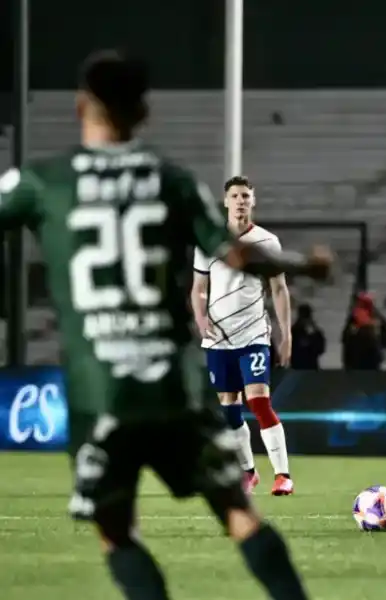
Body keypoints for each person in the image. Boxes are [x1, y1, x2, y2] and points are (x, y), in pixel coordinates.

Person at [0, 50, 331, 599]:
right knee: (237, 513)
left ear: (81, 104)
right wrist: (306, 265)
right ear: (145, 113)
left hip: (100, 392)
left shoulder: (43, 181)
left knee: (117, 533)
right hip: (175, 386)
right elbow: (239, 256)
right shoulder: (171, 179)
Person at [191, 176, 294, 496]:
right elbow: (198, 289)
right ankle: (248, 472)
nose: (240, 201)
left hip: (253, 333)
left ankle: (283, 475)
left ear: (253, 201)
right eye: (234, 196)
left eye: (245, 196)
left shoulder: (266, 242)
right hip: (219, 339)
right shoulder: (208, 241)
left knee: (259, 400)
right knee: (228, 407)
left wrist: (285, 333)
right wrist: (200, 319)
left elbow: (278, 288)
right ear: (225, 202)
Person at [341, 292, 386, 370]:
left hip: (364, 361)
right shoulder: (355, 319)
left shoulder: (377, 320)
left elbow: (344, 339)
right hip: (359, 362)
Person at [290, 303, 325, 370]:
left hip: (309, 367)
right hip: (299, 367)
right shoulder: (295, 331)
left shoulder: (313, 330)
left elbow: (320, 348)